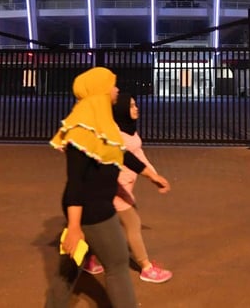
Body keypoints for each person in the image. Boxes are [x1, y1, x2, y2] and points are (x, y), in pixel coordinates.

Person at [46, 67, 171, 308]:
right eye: (112, 85)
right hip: (93, 210)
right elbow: (76, 182)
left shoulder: (101, 123)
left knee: (70, 268)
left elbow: (121, 154)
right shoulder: (81, 130)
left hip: (97, 206)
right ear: (99, 92)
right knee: (118, 264)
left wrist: (151, 175)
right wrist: (74, 227)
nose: (116, 90)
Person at [83, 93, 173, 283]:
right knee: (133, 223)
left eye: (135, 104)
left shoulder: (129, 130)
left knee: (107, 225)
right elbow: (123, 157)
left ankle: (90, 258)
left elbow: (138, 154)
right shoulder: (114, 133)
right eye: (131, 105)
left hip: (125, 186)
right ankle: (146, 268)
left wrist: (154, 176)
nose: (136, 108)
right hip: (114, 187)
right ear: (121, 109)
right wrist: (151, 177)